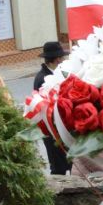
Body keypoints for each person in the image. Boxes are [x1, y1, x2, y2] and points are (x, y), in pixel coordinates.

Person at [33, 41, 73, 175]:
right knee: (58, 167)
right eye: (62, 58)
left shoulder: (58, 73)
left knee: (72, 163)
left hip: (63, 126)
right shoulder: (42, 78)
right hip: (51, 129)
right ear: (57, 59)